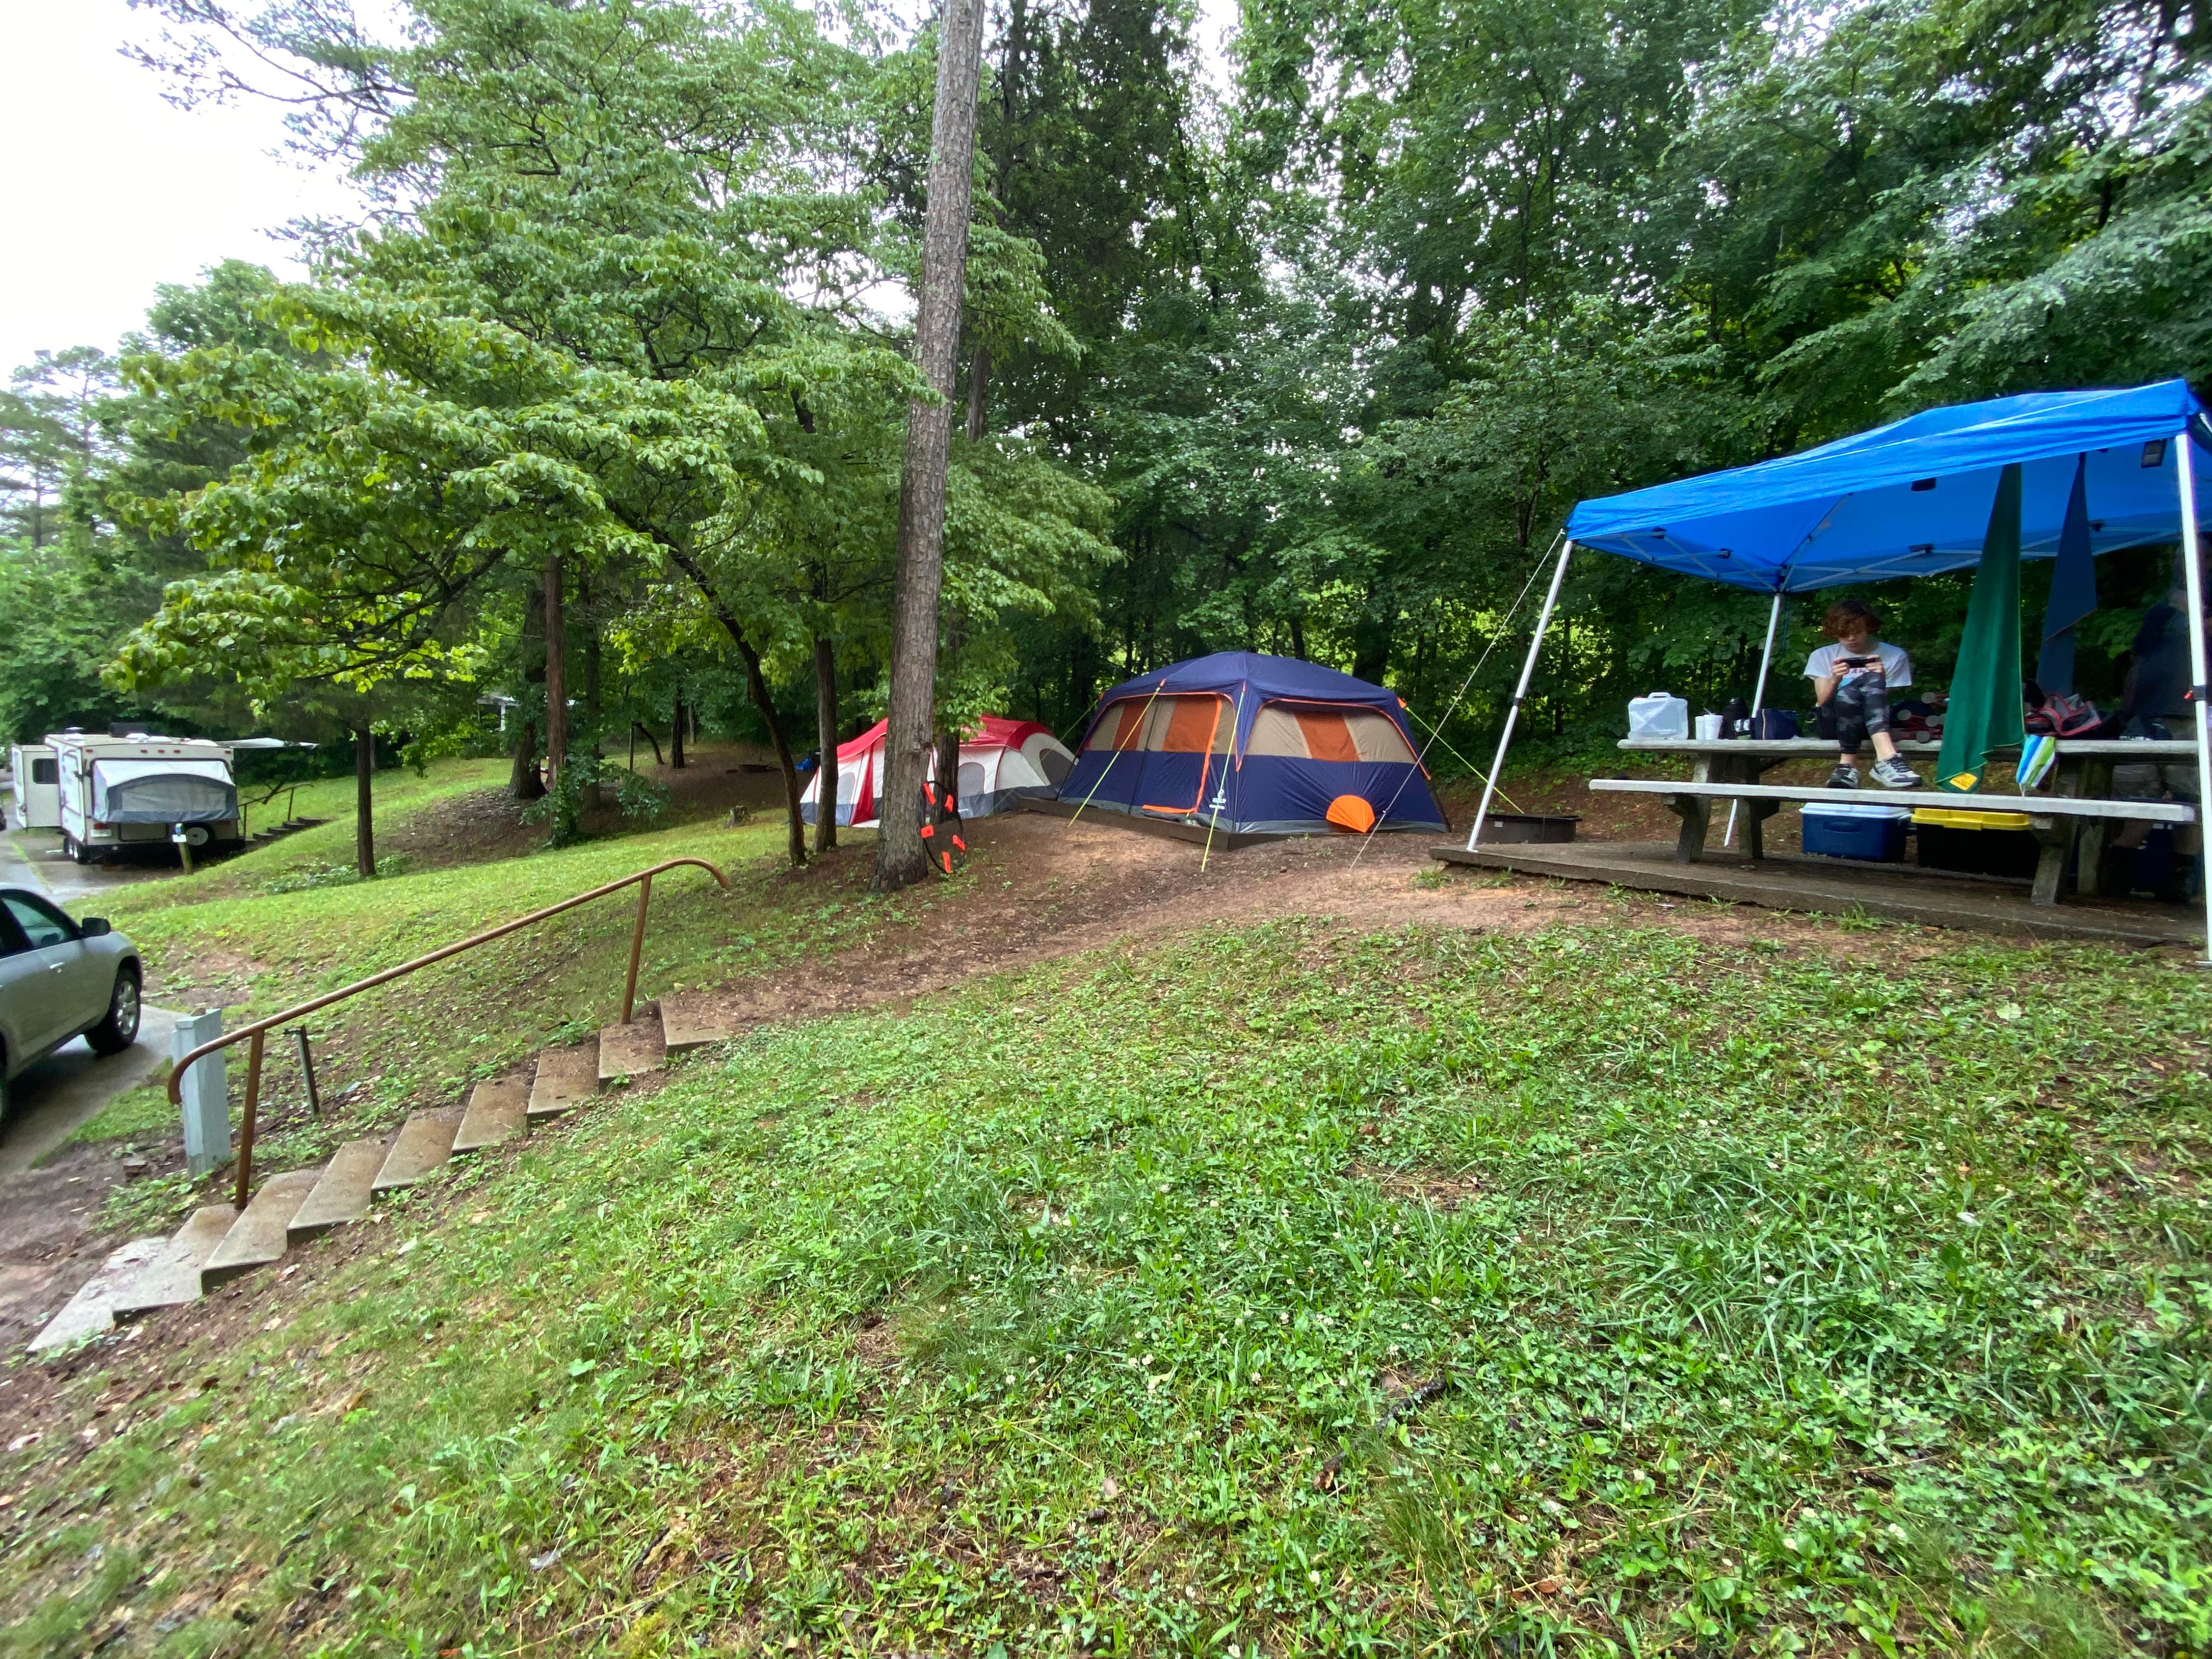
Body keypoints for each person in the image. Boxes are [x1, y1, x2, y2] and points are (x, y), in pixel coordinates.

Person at [1805, 598, 1923, 789]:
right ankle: (1888, 759)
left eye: (1857, 632)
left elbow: (1877, 703)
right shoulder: (1822, 655)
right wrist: (1835, 679)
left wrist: (1882, 677)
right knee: (1848, 693)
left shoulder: (1895, 655)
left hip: (1871, 724)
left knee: (1871, 681)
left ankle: (1846, 768)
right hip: (1831, 723)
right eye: (1844, 634)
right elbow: (1823, 701)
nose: (1851, 638)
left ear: (1869, 627)